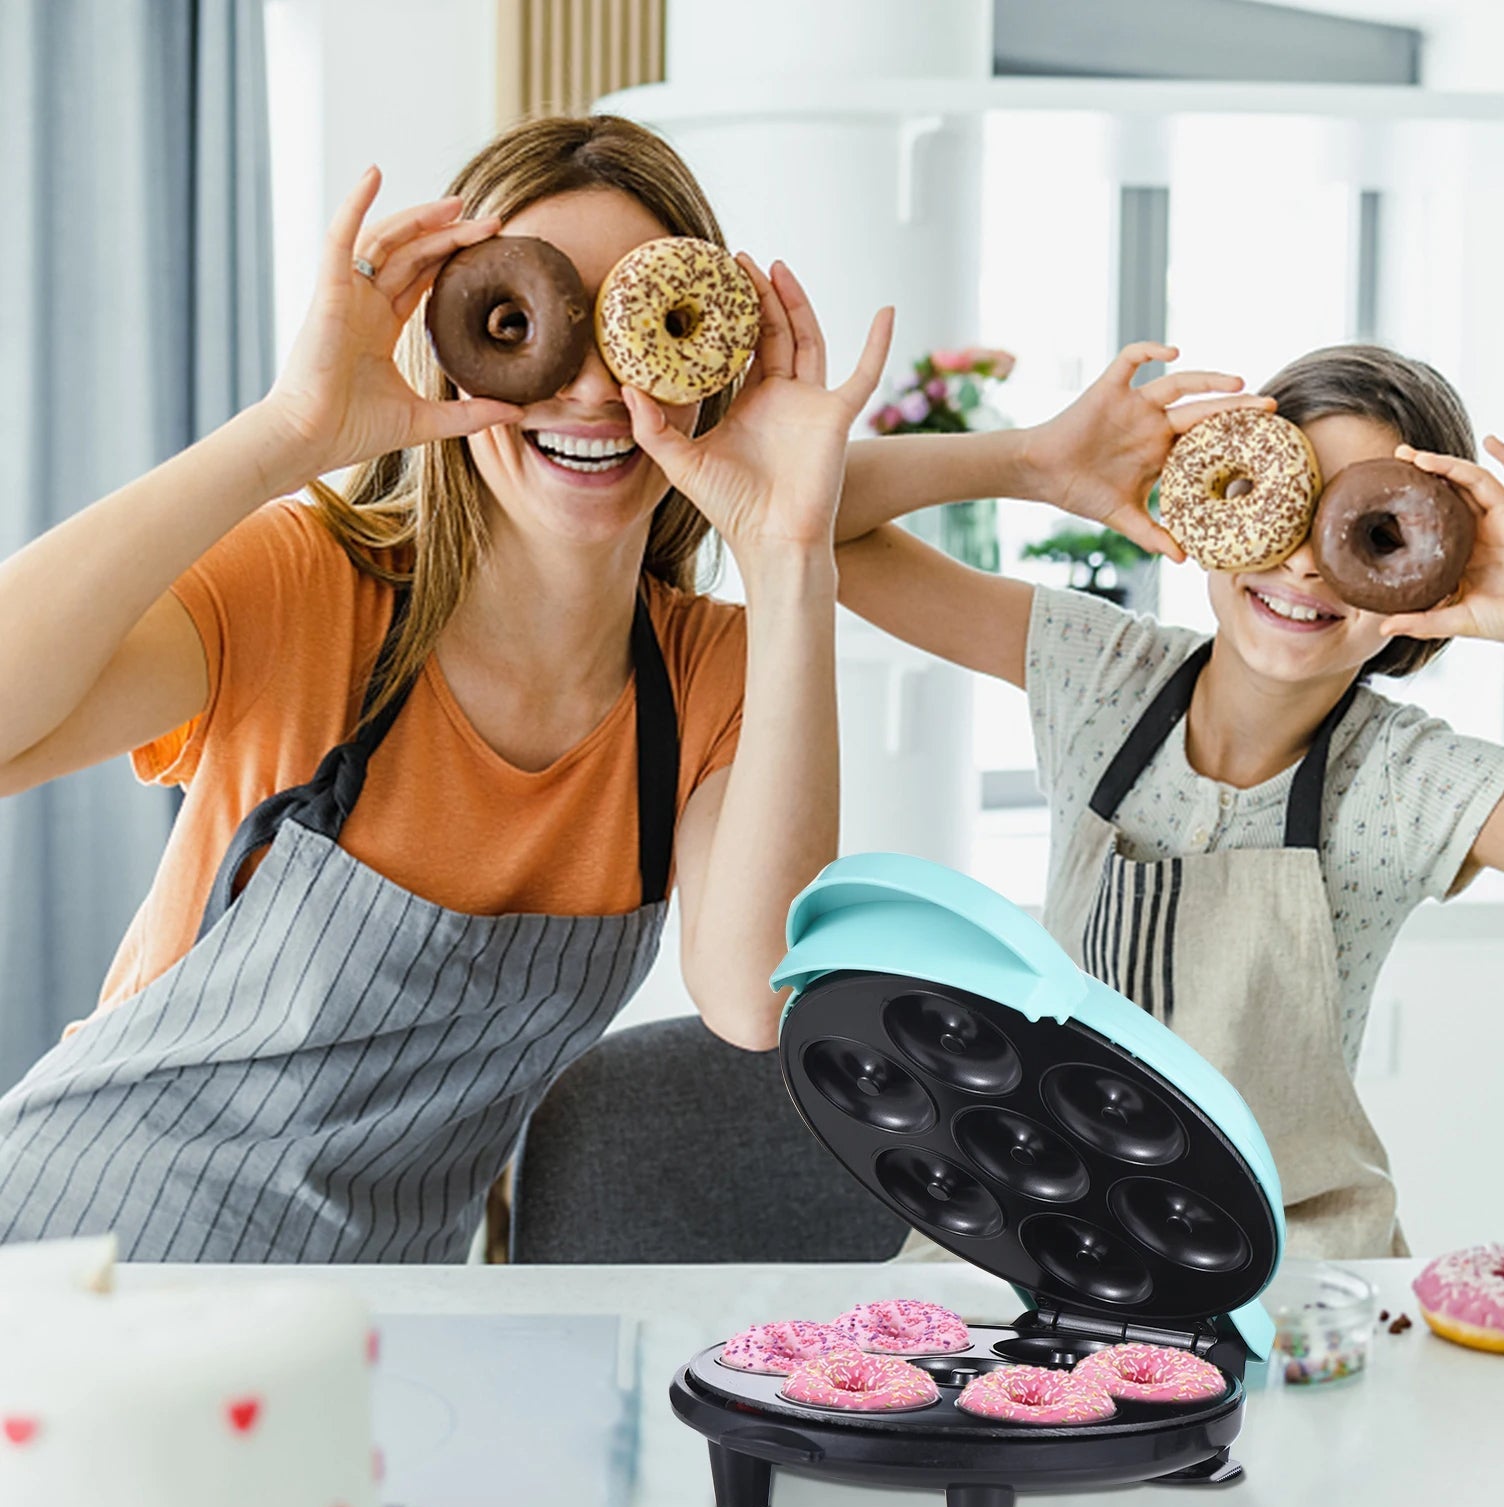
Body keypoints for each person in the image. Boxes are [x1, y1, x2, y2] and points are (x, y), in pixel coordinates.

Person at [0, 114, 890, 1263]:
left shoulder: (711, 674)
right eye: (527, 324)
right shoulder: (311, 585)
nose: (592, 388)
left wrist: (790, 554)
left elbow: (753, 998)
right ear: (458, 341)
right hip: (79, 1257)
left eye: (637, 335)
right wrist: (283, 435)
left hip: (386, 1312)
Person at [830, 340, 1504, 1256]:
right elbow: (811, 517)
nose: (1305, 565)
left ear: (1430, 573)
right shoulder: (1100, 672)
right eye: (1283, 509)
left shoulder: (1410, 783)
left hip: (1279, 1274)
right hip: (1040, 1234)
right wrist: (1030, 459)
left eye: (1369, 533)